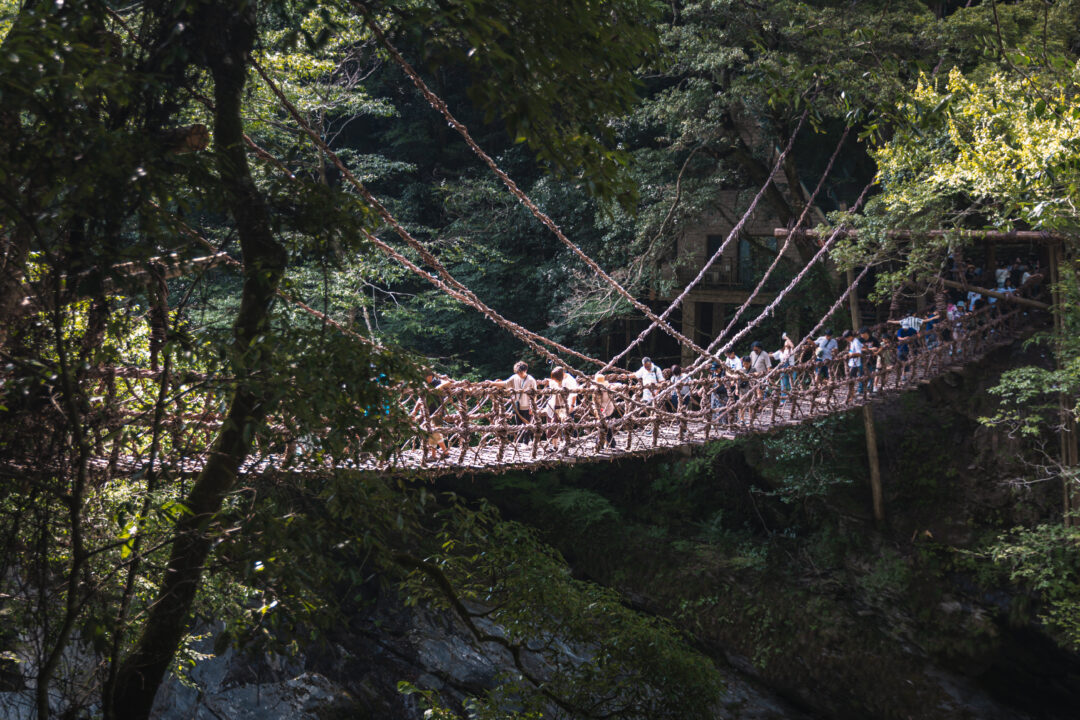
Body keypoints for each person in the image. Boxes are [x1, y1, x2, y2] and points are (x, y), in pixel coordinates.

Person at [412, 369, 450, 461]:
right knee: (430, 433)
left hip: (438, 412)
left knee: (435, 432)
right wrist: (414, 411)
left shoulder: (437, 382)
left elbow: (448, 382)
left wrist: (439, 387)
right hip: (428, 413)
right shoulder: (424, 386)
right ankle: (433, 455)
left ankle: (446, 452)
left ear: (430, 376)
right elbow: (420, 399)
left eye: (425, 377)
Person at [495, 361, 537, 443]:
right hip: (517, 405)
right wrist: (493, 383)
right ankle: (521, 442)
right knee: (519, 425)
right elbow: (506, 383)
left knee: (527, 425)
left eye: (520, 372)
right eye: (517, 372)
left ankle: (526, 443)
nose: (519, 374)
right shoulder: (515, 377)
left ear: (525, 370)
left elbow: (535, 395)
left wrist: (532, 406)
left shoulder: (531, 380)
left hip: (527, 406)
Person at [592, 373, 618, 447]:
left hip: (604, 409)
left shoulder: (599, 391)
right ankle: (610, 443)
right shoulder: (607, 388)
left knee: (604, 426)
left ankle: (600, 443)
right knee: (606, 426)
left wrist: (600, 411)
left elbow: (598, 402)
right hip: (607, 409)